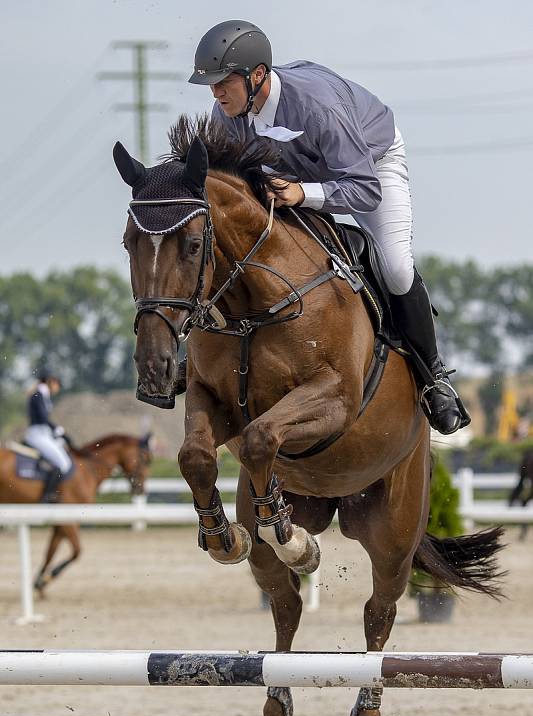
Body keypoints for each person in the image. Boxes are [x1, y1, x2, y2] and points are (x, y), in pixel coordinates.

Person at [187, 20, 470, 436]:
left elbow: (364, 191)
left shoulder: (318, 106)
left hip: (370, 166)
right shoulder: (229, 112)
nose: (215, 93)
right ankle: (201, 353)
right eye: (211, 84)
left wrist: (303, 194)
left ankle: (433, 377)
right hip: (294, 169)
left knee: (395, 266)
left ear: (258, 76)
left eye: (223, 82)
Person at [24, 368, 72, 502]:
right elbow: (43, 419)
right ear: (51, 381)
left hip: (43, 434)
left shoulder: (42, 395)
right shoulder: (38, 395)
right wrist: (60, 431)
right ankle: (47, 496)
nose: (58, 387)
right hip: (37, 435)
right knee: (63, 463)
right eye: (57, 383)